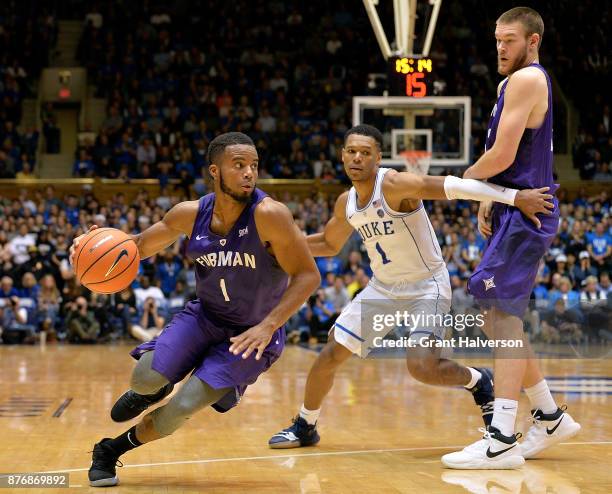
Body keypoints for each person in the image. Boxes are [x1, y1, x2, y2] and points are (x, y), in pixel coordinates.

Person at [269, 124, 554, 448]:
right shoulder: (345, 203)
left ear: (378, 158)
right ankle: (306, 424)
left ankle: (478, 381)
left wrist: (515, 197)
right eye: (352, 151)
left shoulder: (393, 184)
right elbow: (328, 243)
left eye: (365, 152)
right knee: (330, 353)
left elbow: (451, 186)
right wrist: (279, 248)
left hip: (427, 285)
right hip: (383, 288)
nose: (357, 158)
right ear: (342, 156)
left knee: (421, 367)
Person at [72, 132, 320, 487]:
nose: (249, 172)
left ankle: (110, 450)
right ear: (215, 172)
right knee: (143, 378)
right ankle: (154, 389)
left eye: (253, 165)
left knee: (181, 409)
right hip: (205, 317)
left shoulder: (270, 215)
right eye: (239, 165)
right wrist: (90, 246)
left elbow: (308, 276)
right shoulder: (189, 214)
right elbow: (138, 246)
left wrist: (269, 325)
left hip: (250, 334)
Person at [442, 7, 581, 470]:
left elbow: (500, 153)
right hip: (514, 205)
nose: (500, 48)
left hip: (527, 211)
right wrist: (491, 195)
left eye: (509, 40)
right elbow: (507, 157)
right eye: (497, 40)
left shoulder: (526, 79)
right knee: (494, 317)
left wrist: (464, 182)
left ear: (533, 40)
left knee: (500, 317)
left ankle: (501, 436)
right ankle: (548, 413)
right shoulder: (513, 82)